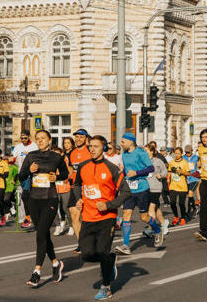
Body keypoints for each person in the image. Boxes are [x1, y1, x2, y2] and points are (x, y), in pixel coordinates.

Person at [74, 135, 130, 301]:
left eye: (96, 146)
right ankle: (110, 260)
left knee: (101, 251)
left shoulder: (112, 168)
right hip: (88, 217)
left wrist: (109, 205)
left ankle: (106, 287)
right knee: (86, 254)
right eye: (90, 146)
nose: (92, 149)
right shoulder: (83, 166)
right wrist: (79, 198)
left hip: (107, 218)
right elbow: (77, 184)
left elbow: (126, 192)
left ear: (103, 148)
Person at [17, 130, 70, 287]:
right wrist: (29, 171)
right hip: (34, 200)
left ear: (49, 140)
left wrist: (57, 177)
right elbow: (21, 176)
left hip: (50, 199)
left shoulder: (56, 157)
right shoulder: (31, 156)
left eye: (43, 138)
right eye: (37, 139)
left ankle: (37, 271)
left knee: (40, 234)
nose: (40, 141)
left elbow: (66, 174)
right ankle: (55, 263)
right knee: (44, 234)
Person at [114, 132, 163, 255]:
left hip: (142, 188)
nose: (121, 144)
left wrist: (136, 173)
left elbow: (151, 168)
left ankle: (157, 230)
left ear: (131, 142)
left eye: (123, 141)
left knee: (144, 217)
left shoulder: (141, 153)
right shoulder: (124, 154)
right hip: (129, 189)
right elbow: (126, 170)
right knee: (126, 215)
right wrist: (121, 175)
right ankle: (126, 245)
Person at [68, 129, 92, 251]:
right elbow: (72, 170)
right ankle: (81, 244)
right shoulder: (72, 153)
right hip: (75, 188)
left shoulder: (90, 151)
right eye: (76, 137)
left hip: (88, 187)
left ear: (86, 139)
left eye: (81, 137)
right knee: (74, 215)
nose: (78, 139)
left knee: (88, 217)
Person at [141, 143, 169, 238]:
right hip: (145, 188)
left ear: (152, 151)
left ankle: (150, 229)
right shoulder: (142, 162)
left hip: (155, 188)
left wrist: (161, 175)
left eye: (146, 151)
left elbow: (165, 171)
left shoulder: (158, 161)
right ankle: (163, 223)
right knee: (156, 209)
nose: (144, 152)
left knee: (151, 209)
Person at [12, 130, 38, 229]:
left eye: (25, 138)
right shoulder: (18, 147)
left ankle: (28, 218)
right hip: (22, 174)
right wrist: (10, 160)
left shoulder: (34, 146)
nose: (23, 140)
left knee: (25, 196)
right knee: (28, 197)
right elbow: (13, 158)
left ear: (29, 137)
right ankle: (34, 218)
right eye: (21, 138)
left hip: (31, 174)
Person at [52, 146, 73, 236]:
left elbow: (70, 172)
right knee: (54, 209)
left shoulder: (65, 161)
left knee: (65, 208)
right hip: (54, 188)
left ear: (62, 154)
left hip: (65, 188)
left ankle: (72, 226)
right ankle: (58, 226)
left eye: (57, 153)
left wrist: (66, 177)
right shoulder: (50, 162)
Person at [167, 147, 189, 226]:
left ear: (181, 154)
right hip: (173, 185)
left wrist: (182, 172)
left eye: (178, 153)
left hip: (182, 186)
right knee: (172, 202)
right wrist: (168, 182)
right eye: (175, 153)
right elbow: (169, 173)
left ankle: (183, 218)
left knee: (181, 203)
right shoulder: (171, 162)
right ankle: (176, 216)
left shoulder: (184, 162)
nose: (176, 155)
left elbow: (188, 173)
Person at [183, 145, 200, 221]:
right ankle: (190, 210)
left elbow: (200, 166)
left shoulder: (196, 157)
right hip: (186, 179)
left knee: (190, 193)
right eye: (186, 152)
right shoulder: (183, 157)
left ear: (192, 151)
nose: (187, 154)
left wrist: (199, 172)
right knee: (188, 196)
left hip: (194, 178)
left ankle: (193, 210)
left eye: (188, 152)